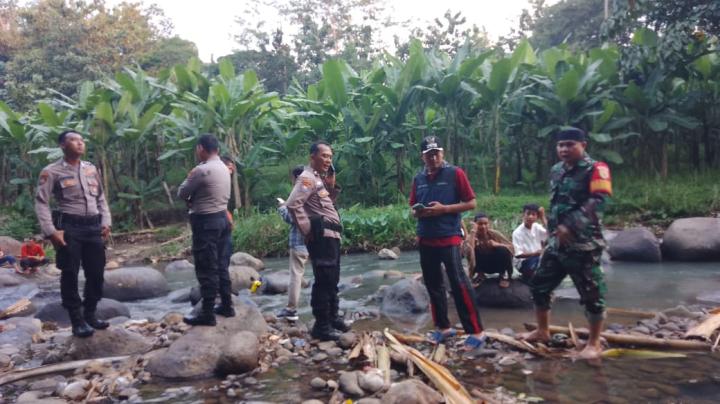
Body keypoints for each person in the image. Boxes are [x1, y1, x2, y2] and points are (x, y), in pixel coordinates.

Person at [520, 128, 612, 360]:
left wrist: (571, 226)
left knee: (592, 294)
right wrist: (553, 230)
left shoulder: (596, 169)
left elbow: (599, 201)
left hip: (584, 244)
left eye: (570, 144)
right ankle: (542, 331)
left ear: (583, 145)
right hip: (556, 244)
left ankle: (593, 343)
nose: (564, 149)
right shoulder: (556, 170)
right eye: (560, 145)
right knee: (539, 285)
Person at [409, 135, 486, 349]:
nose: (433, 157)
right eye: (429, 154)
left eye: (436, 153)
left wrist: (445, 209)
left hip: (449, 236)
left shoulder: (455, 173)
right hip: (426, 237)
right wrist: (419, 213)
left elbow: (471, 203)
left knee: (459, 282)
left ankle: (476, 331)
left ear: (442, 153)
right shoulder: (419, 178)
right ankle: (443, 328)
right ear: (422, 156)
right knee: (433, 284)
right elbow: (412, 205)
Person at [35, 130, 112, 338]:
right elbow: (41, 202)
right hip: (69, 229)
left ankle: (90, 314)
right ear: (62, 145)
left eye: (81, 140)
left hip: (93, 227)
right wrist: (51, 231)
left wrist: (106, 222)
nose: (79, 143)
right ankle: (77, 321)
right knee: (69, 274)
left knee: (96, 273)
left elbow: (101, 198)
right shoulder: (51, 171)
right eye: (73, 140)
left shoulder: (91, 169)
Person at [286, 141, 349, 341]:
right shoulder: (306, 178)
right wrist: (307, 229)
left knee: (332, 279)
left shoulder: (318, 180)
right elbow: (293, 204)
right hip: (322, 237)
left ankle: (332, 317)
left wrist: (331, 185)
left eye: (330, 156)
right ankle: (322, 326)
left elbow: (325, 204)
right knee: (324, 280)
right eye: (324, 156)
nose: (328, 160)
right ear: (312, 156)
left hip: (331, 236)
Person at [178, 134, 233, 326]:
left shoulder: (202, 170)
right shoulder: (225, 168)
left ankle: (207, 313)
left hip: (206, 222)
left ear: (201, 148)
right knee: (221, 265)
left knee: (206, 267)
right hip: (222, 219)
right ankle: (227, 304)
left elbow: (182, 192)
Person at [276, 165, 309, 322]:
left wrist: (282, 207)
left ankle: (291, 309)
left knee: (296, 276)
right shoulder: (314, 190)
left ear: (295, 178)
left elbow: (292, 218)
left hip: (299, 242)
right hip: (315, 241)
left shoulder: (298, 194)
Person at [467, 213, 515, 288]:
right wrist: (473, 234)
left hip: (496, 265)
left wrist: (498, 244)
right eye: (480, 224)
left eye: (485, 223)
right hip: (482, 266)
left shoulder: (495, 234)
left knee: (503, 250)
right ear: (475, 225)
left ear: (489, 224)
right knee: (474, 248)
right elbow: (468, 253)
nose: (483, 226)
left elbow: (512, 248)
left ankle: (503, 275)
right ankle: (480, 275)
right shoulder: (471, 237)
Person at [512, 204, 548, 281]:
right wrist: (535, 253)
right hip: (523, 263)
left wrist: (543, 217)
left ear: (537, 217)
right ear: (523, 215)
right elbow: (518, 255)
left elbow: (551, 234)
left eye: (533, 214)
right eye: (528, 214)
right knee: (539, 261)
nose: (530, 217)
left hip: (537, 259)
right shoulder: (517, 232)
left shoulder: (537, 226)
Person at [220, 155, 236, 283]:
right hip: (217, 222)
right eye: (229, 168)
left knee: (226, 254)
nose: (231, 171)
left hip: (222, 221)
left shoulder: (225, 181)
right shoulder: (217, 180)